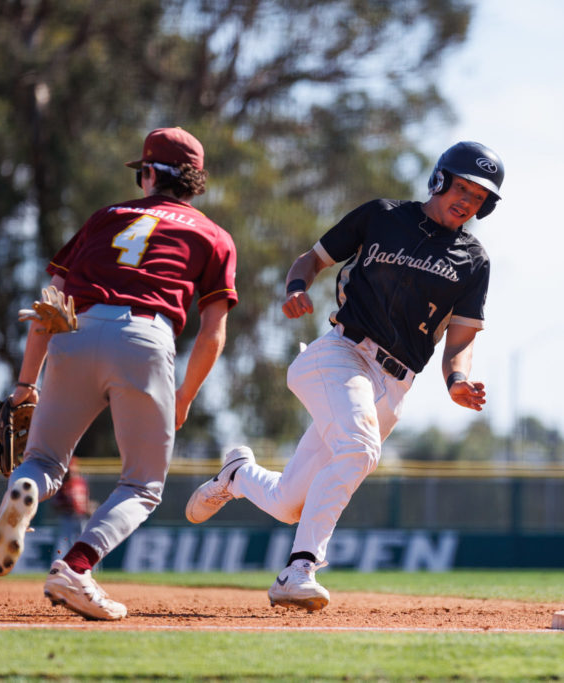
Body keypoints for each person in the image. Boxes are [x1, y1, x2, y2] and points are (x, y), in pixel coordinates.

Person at [185, 141, 504, 612]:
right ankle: (299, 570)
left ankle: (237, 475)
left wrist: (456, 379)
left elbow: (460, 339)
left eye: (479, 197)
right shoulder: (382, 216)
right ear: (439, 179)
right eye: (462, 188)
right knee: (359, 449)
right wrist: (296, 288)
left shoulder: (474, 260)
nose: (468, 200)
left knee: (288, 503)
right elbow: (311, 259)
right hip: (341, 354)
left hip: (394, 386)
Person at [0, 127, 238, 621]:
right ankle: (76, 568)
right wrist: (185, 395)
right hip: (144, 338)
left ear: (150, 175)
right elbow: (213, 333)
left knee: (42, 460)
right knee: (142, 485)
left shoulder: (107, 217)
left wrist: (25, 385)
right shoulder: (213, 235)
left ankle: (27, 489)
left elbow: (49, 303)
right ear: (194, 181)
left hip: (75, 331)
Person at [51, 458, 93, 558]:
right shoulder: (61, 484)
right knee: (67, 543)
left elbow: (86, 499)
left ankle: (86, 562)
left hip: (82, 517)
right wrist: (66, 507)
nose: (71, 471)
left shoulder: (81, 481)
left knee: (86, 542)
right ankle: (69, 562)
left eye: (72, 469)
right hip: (67, 517)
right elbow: (55, 504)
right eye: (69, 469)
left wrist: (89, 508)